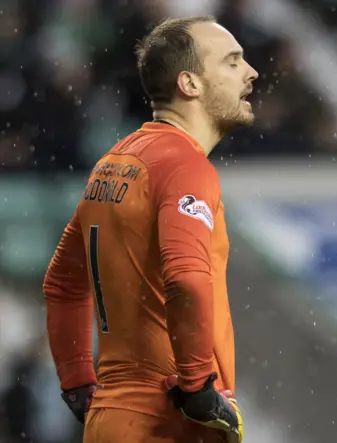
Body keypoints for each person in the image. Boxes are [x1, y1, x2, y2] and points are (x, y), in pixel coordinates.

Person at [42, 15, 258, 443]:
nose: (251, 72)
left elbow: (61, 284)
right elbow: (187, 280)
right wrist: (197, 388)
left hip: (112, 418)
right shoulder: (185, 167)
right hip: (167, 421)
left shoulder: (113, 163)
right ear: (189, 84)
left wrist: (79, 381)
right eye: (233, 62)